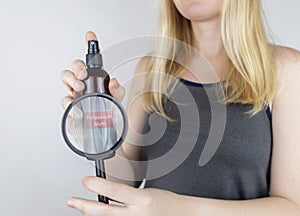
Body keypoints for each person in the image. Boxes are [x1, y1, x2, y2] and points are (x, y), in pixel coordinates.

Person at [61, 0, 300, 215]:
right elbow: (124, 181)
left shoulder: (285, 69)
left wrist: (174, 208)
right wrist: (95, 131)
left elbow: (292, 207)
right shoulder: (152, 69)